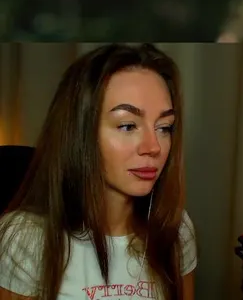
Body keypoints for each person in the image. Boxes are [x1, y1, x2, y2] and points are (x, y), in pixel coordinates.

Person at [0, 44, 197, 297]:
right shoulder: (24, 239)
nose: (153, 147)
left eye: (164, 127)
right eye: (128, 126)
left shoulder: (176, 228)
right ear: (80, 132)